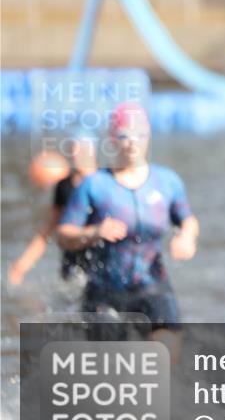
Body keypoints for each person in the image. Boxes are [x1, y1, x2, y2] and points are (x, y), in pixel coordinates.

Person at [55, 103, 199, 351]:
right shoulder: (94, 185)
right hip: (105, 291)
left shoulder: (167, 182)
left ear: (148, 135)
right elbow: (63, 234)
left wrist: (187, 237)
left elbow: (188, 220)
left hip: (152, 285)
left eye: (139, 134)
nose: (132, 141)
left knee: (166, 350)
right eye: (124, 135)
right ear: (112, 139)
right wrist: (94, 232)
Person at [9, 132, 98, 286]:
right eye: (73, 149)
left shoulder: (105, 182)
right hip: (72, 263)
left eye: (81, 149)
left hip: (100, 260)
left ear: (93, 151)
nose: (76, 154)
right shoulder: (64, 186)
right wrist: (22, 265)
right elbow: (49, 229)